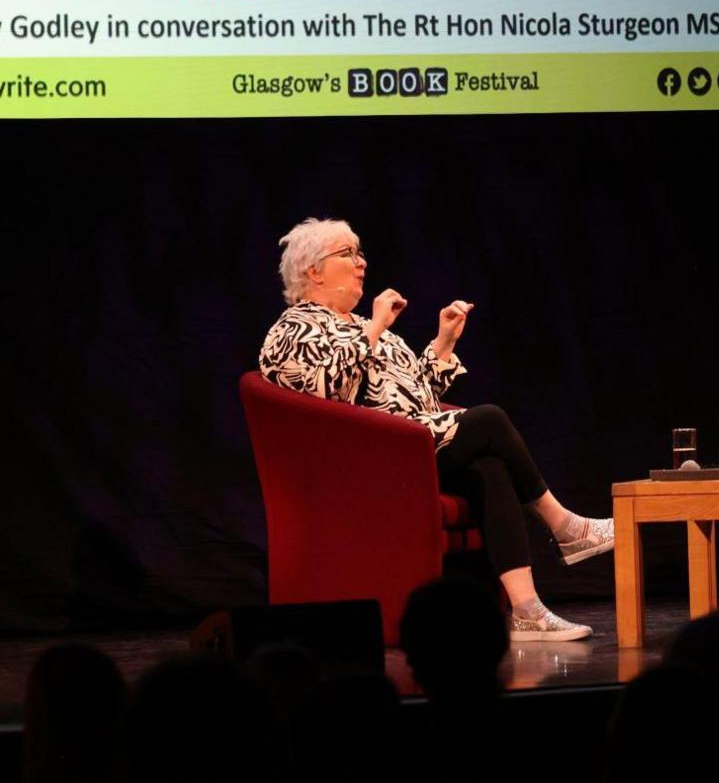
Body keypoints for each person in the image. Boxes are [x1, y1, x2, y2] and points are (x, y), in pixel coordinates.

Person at [259, 218, 614, 641]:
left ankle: (527, 611)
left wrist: (443, 342)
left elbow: (418, 399)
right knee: (487, 419)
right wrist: (374, 328)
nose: (361, 263)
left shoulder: (370, 331)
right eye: (347, 254)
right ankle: (564, 525)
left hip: (411, 446)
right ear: (313, 270)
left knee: (489, 468)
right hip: (365, 463)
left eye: (360, 252)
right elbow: (329, 391)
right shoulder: (293, 328)